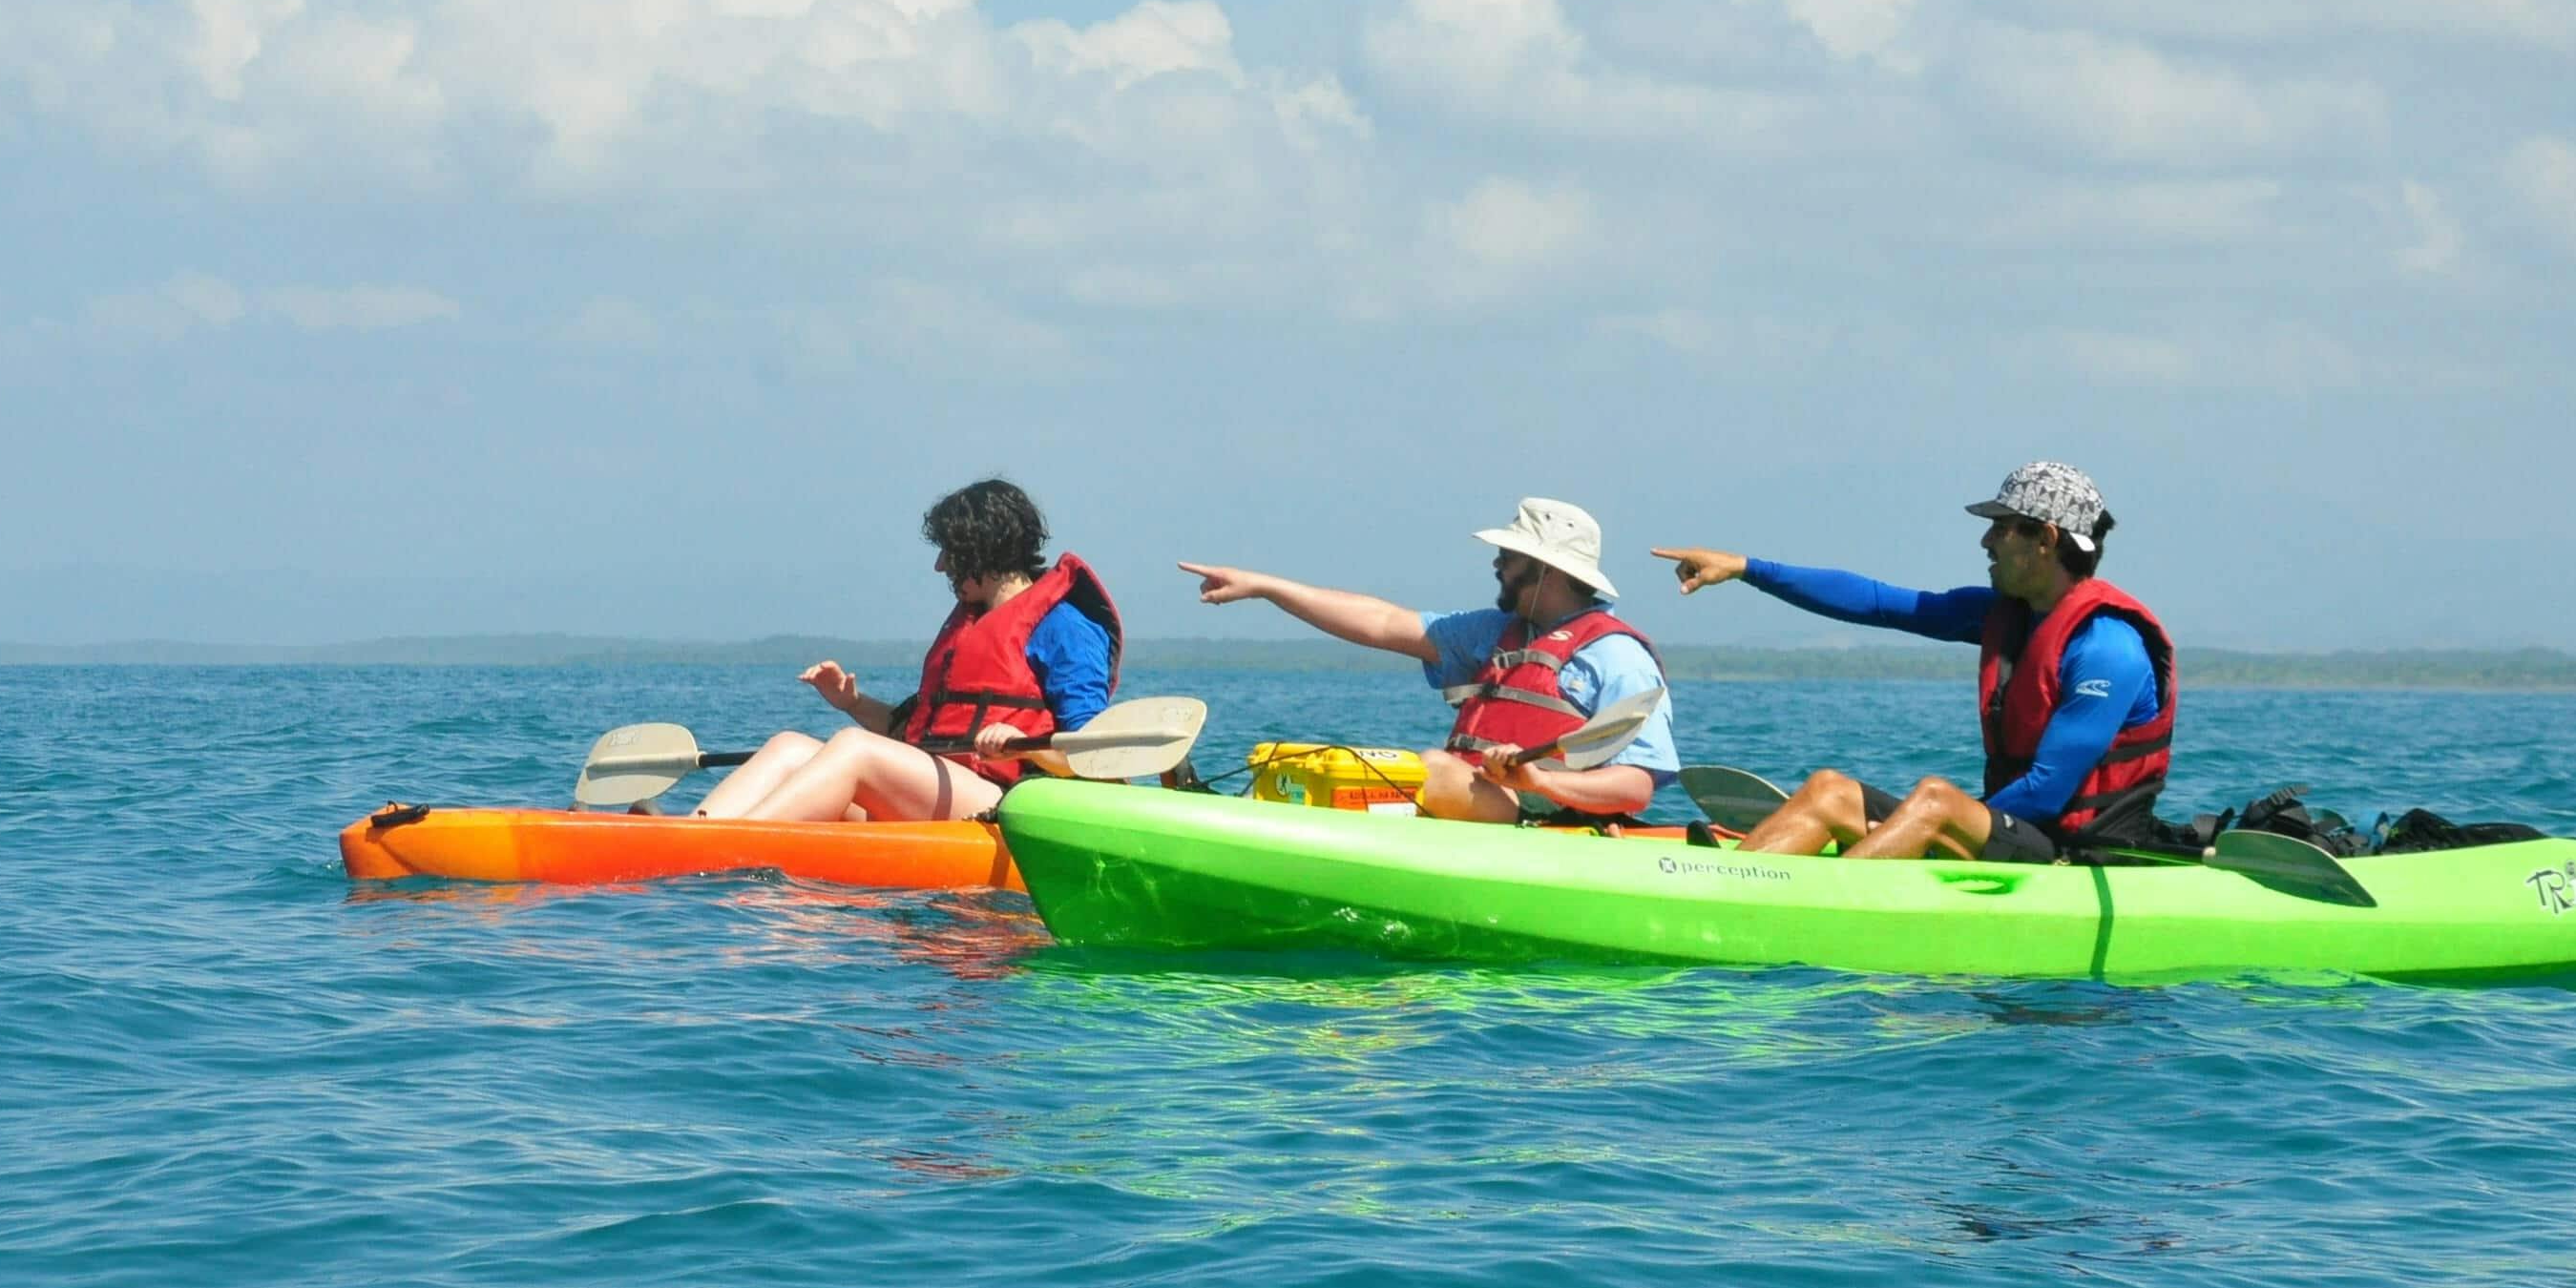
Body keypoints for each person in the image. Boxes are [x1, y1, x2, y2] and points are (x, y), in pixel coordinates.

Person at [1652, 462, 2172, 862]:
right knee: (1829, 792)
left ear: (2046, 540)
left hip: (2081, 853)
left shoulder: (2108, 646)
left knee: (1935, 800)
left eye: (2002, 527)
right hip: (2010, 830)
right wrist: (1746, 568)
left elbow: (2047, 792)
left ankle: (1819, 904)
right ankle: (1729, 892)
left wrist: (1917, 826)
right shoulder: (2004, 615)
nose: (1986, 540)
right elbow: (1876, 601)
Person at [1179, 497, 1678, 823]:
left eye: (1510, 556)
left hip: (1546, 818)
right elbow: (1381, 622)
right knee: (1342, 768)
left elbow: (1635, 787)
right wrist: (1267, 587)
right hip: (1473, 803)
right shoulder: (1493, 633)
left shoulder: (1617, 657)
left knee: (1433, 768)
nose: (1497, 564)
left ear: (1546, 570)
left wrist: (1541, 780)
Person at [695, 478, 1120, 822]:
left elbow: (1096, 758)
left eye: (950, 552)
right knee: (790, 746)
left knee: (854, 749)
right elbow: (915, 736)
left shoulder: (1065, 628)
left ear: (984, 549)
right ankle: (694, 831)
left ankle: (730, 846)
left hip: (1007, 803)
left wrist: (1025, 743)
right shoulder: (970, 623)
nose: (940, 566)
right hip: (938, 793)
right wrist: (853, 702)